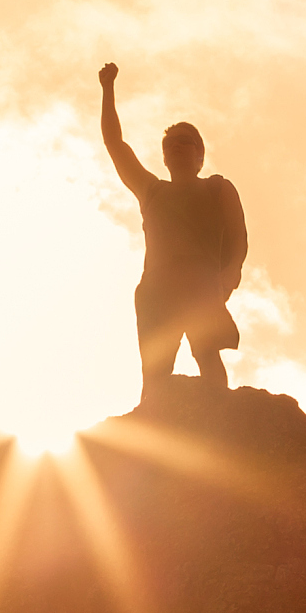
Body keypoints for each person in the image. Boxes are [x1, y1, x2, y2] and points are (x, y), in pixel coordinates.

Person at [98, 62, 248, 394]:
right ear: (164, 158)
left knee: (207, 355)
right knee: (155, 373)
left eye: (185, 141)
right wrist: (107, 89)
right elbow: (115, 143)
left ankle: (221, 419)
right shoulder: (152, 191)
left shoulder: (217, 188)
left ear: (200, 155)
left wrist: (231, 271)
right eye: (169, 145)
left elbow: (239, 235)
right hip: (156, 288)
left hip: (201, 282)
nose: (175, 147)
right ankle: (153, 426)